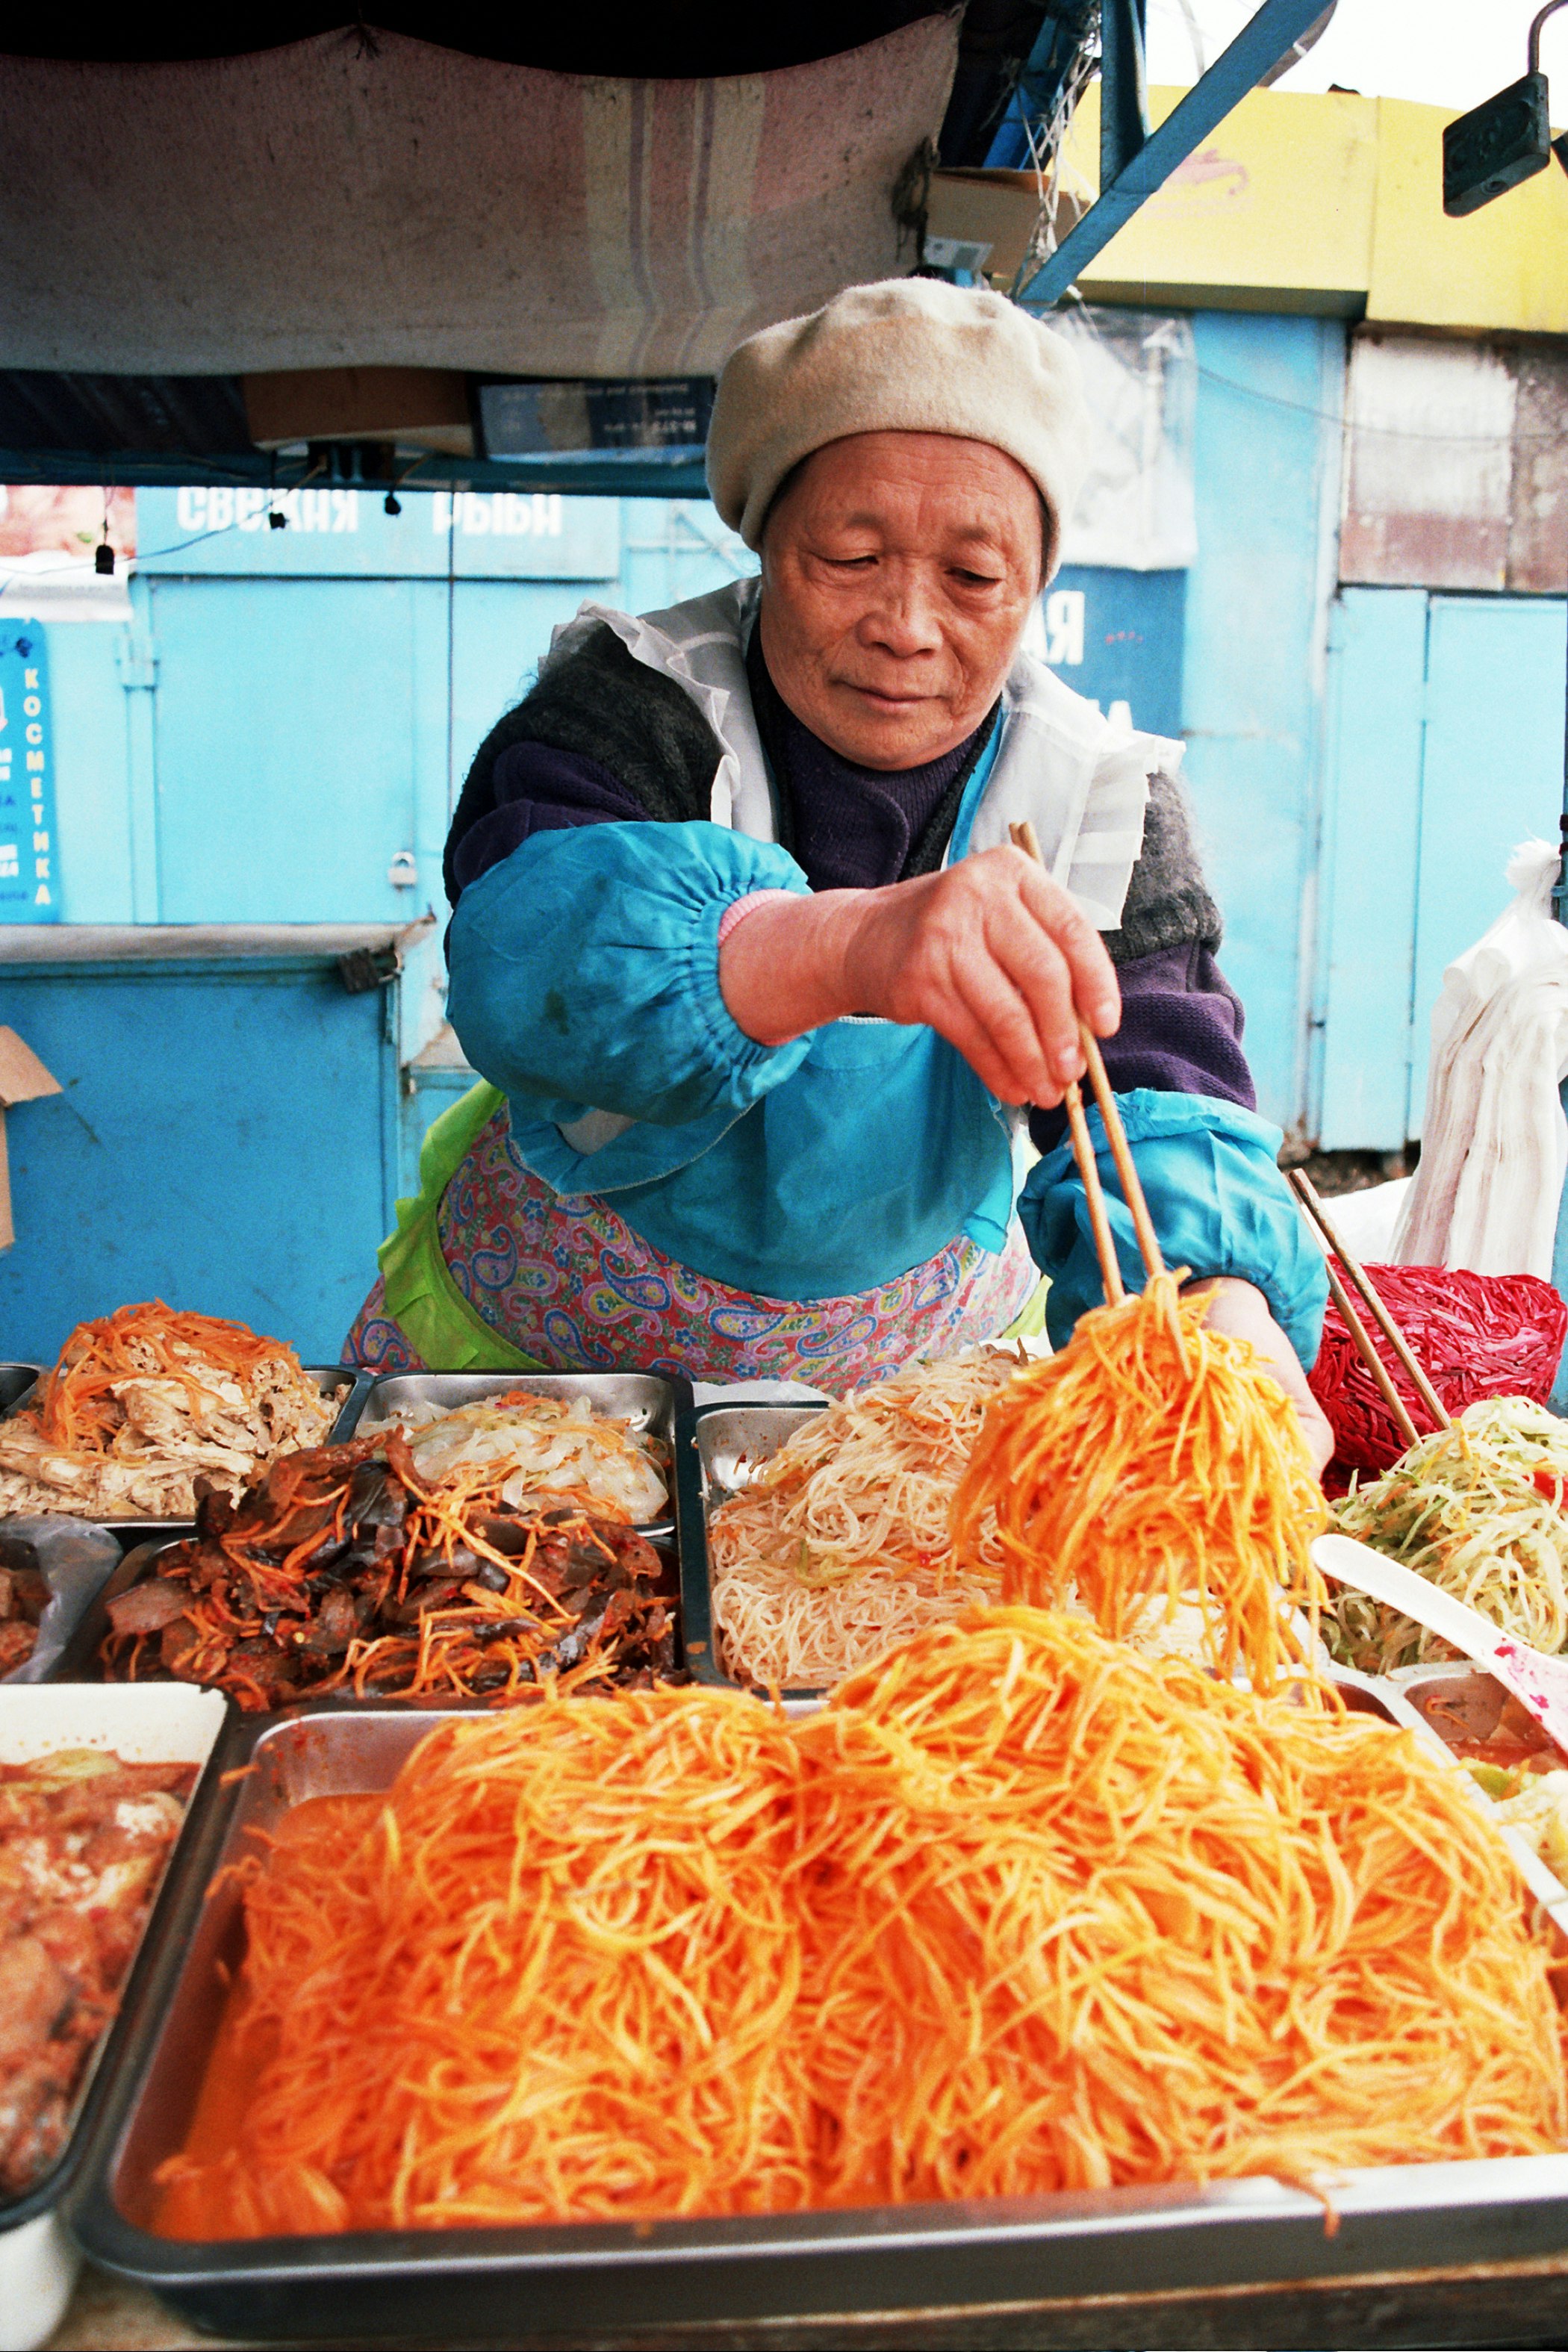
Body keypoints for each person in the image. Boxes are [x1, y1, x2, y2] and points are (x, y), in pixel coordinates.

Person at [346, 279, 1331, 1464]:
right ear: (764, 538)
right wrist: (850, 947)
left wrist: (1215, 1303)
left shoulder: (1095, 801)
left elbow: (1157, 1093)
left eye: (974, 578)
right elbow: (525, 964)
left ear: (1036, 584)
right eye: (851, 555)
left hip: (905, 1404)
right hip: (557, 1361)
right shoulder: (634, 707)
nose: (909, 624)